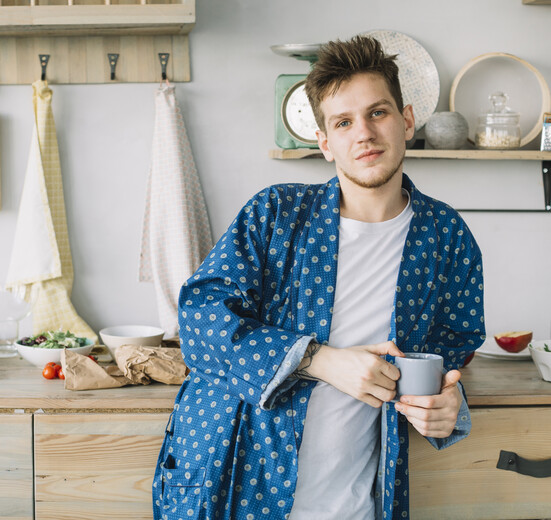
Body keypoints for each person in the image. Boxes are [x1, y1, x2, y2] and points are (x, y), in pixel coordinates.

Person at [152, 35, 485, 520]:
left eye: (378, 113)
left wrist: (447, 409)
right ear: (326, 143)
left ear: (407, 120)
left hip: (355, 502)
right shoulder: (275, 214)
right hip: (232, 484)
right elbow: (200, 320)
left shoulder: (447, 237)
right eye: (344, 122)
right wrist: (318, 359)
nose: (364, 133)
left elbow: (450, 353)